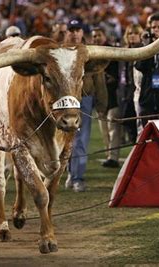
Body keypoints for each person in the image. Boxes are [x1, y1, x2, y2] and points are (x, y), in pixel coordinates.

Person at [65, 18, 107, 192]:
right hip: (65, 100)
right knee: (66, 141)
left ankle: (77, 177)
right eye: (72, 30)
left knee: (81, 140)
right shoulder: (61, 52)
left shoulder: (90, 52)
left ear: (83, 33)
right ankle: (70, 172)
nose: (75, 33)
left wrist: (102, 105)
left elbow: (98, 77)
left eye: (78, 30)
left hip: (84, 99)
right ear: (67, 32)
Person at [92, 27, 121, 168]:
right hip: (100, 97)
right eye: (94, 36)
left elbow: (116, 76)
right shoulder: (93, 54)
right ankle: (110, 155)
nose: (96, 38)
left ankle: (113, 157)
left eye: (99, 35)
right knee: (104, 129)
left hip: (113, 96)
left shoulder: (112, 52)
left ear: (105, 36)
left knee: (113, 128)